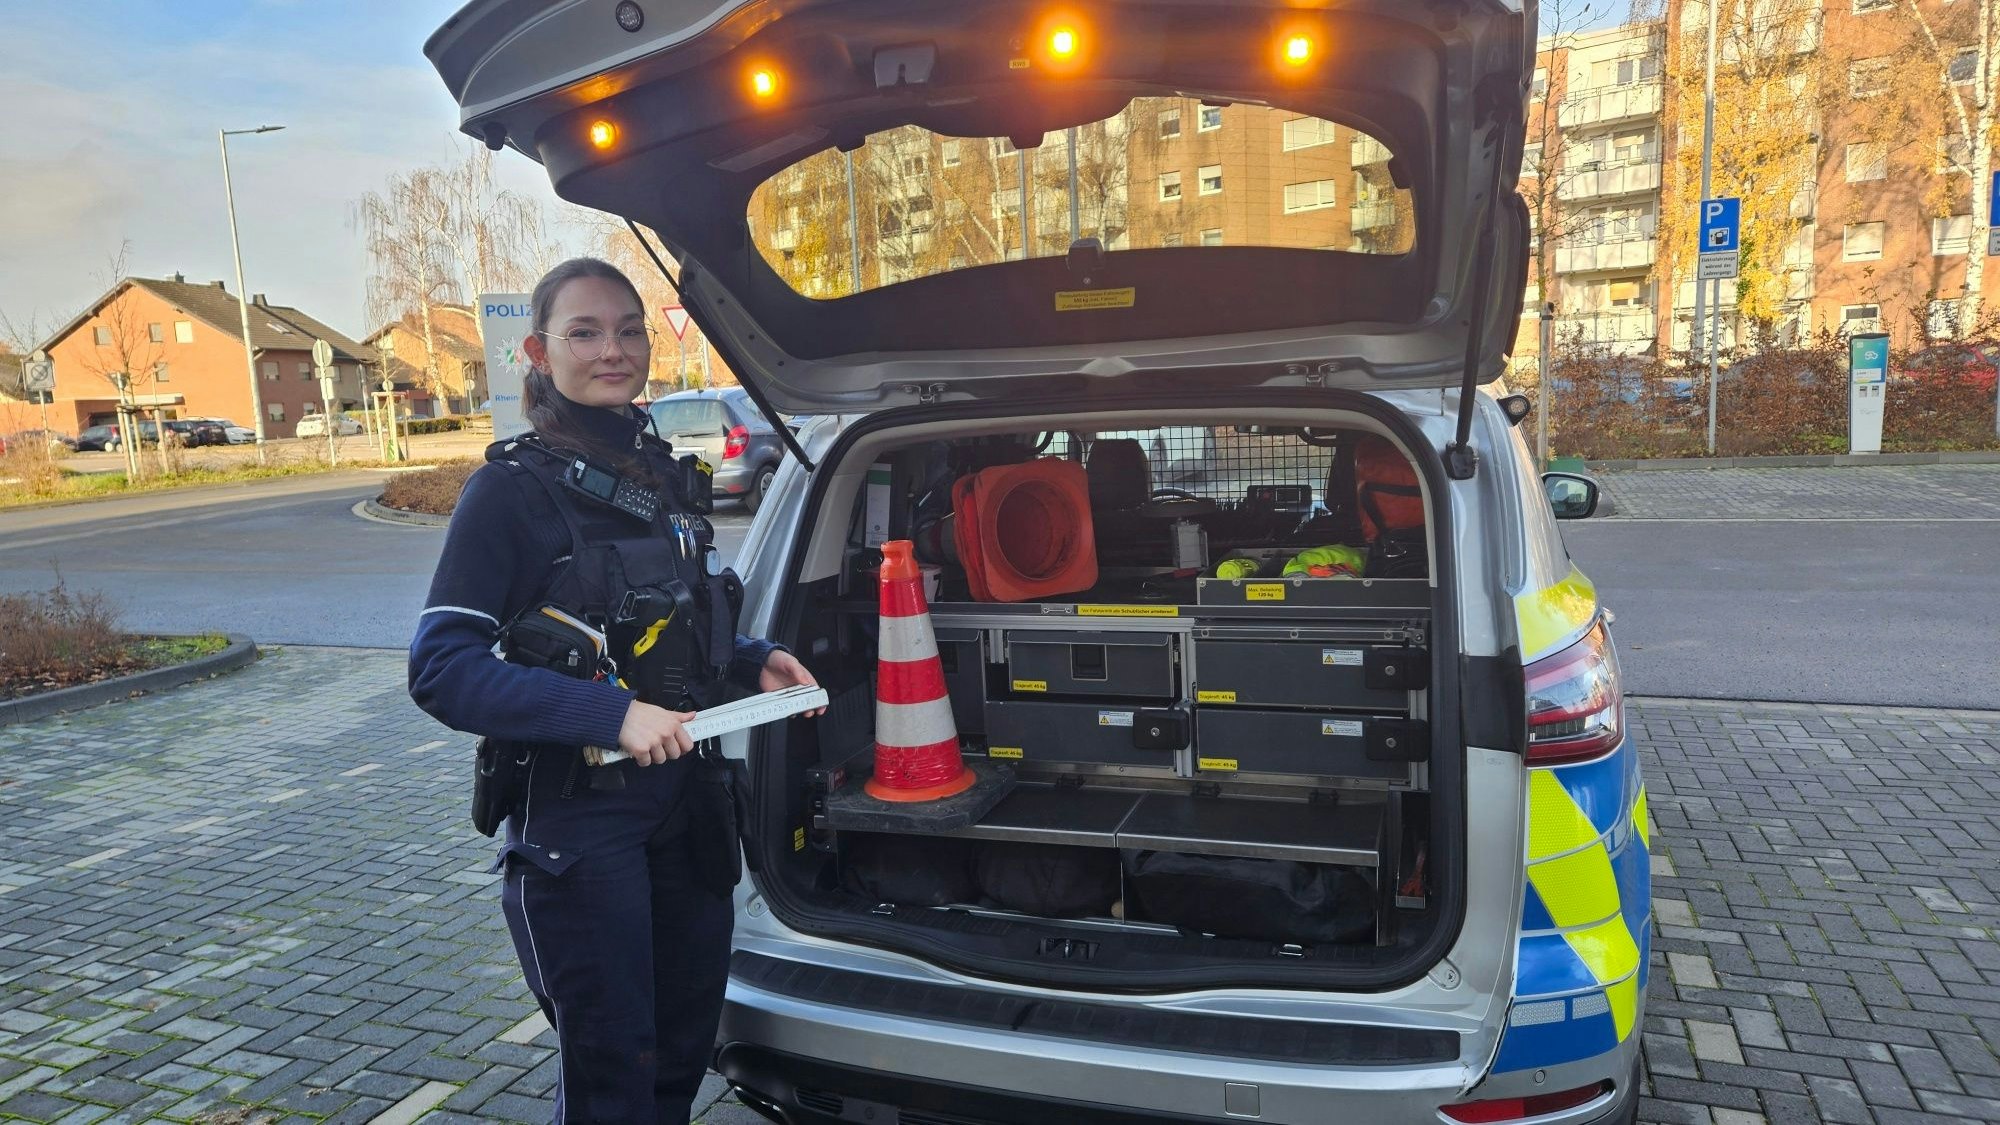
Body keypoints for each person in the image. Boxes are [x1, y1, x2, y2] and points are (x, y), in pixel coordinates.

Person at [408, 257, 818, 1122]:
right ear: (537, 350)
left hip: (687, 808)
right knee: (613, 1079)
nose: (614, 349)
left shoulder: (655, 474)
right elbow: (441, 667)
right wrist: (610, 714)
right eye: (585, 332)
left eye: (630, 329)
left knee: (677, 1058)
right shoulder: (508, 492)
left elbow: (664, 627)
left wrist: (751, 658)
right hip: (579, 823)